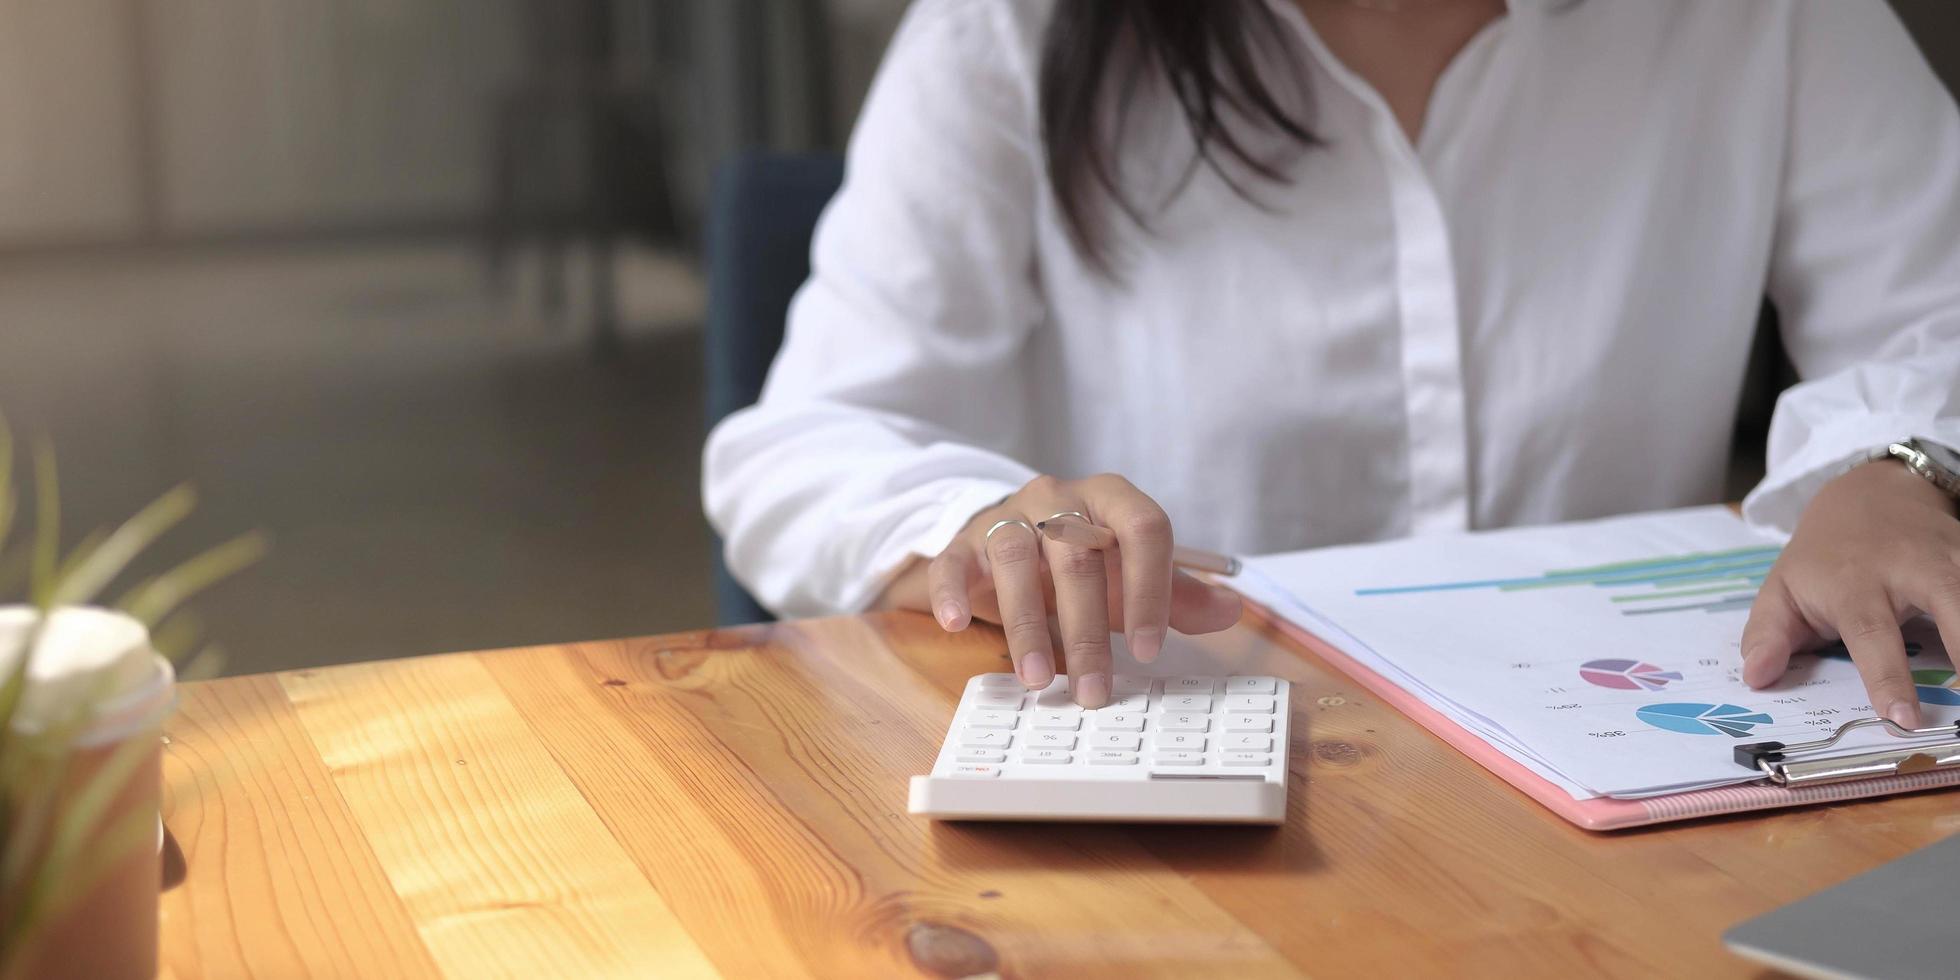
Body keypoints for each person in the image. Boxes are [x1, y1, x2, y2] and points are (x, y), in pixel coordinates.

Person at [704, 0, 1960, 716]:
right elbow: (802, 440)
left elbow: (1934, 311)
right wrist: (969, 524)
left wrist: (1897, 462)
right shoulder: (1012, 29)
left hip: (1643, 785)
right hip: (1192, 784)